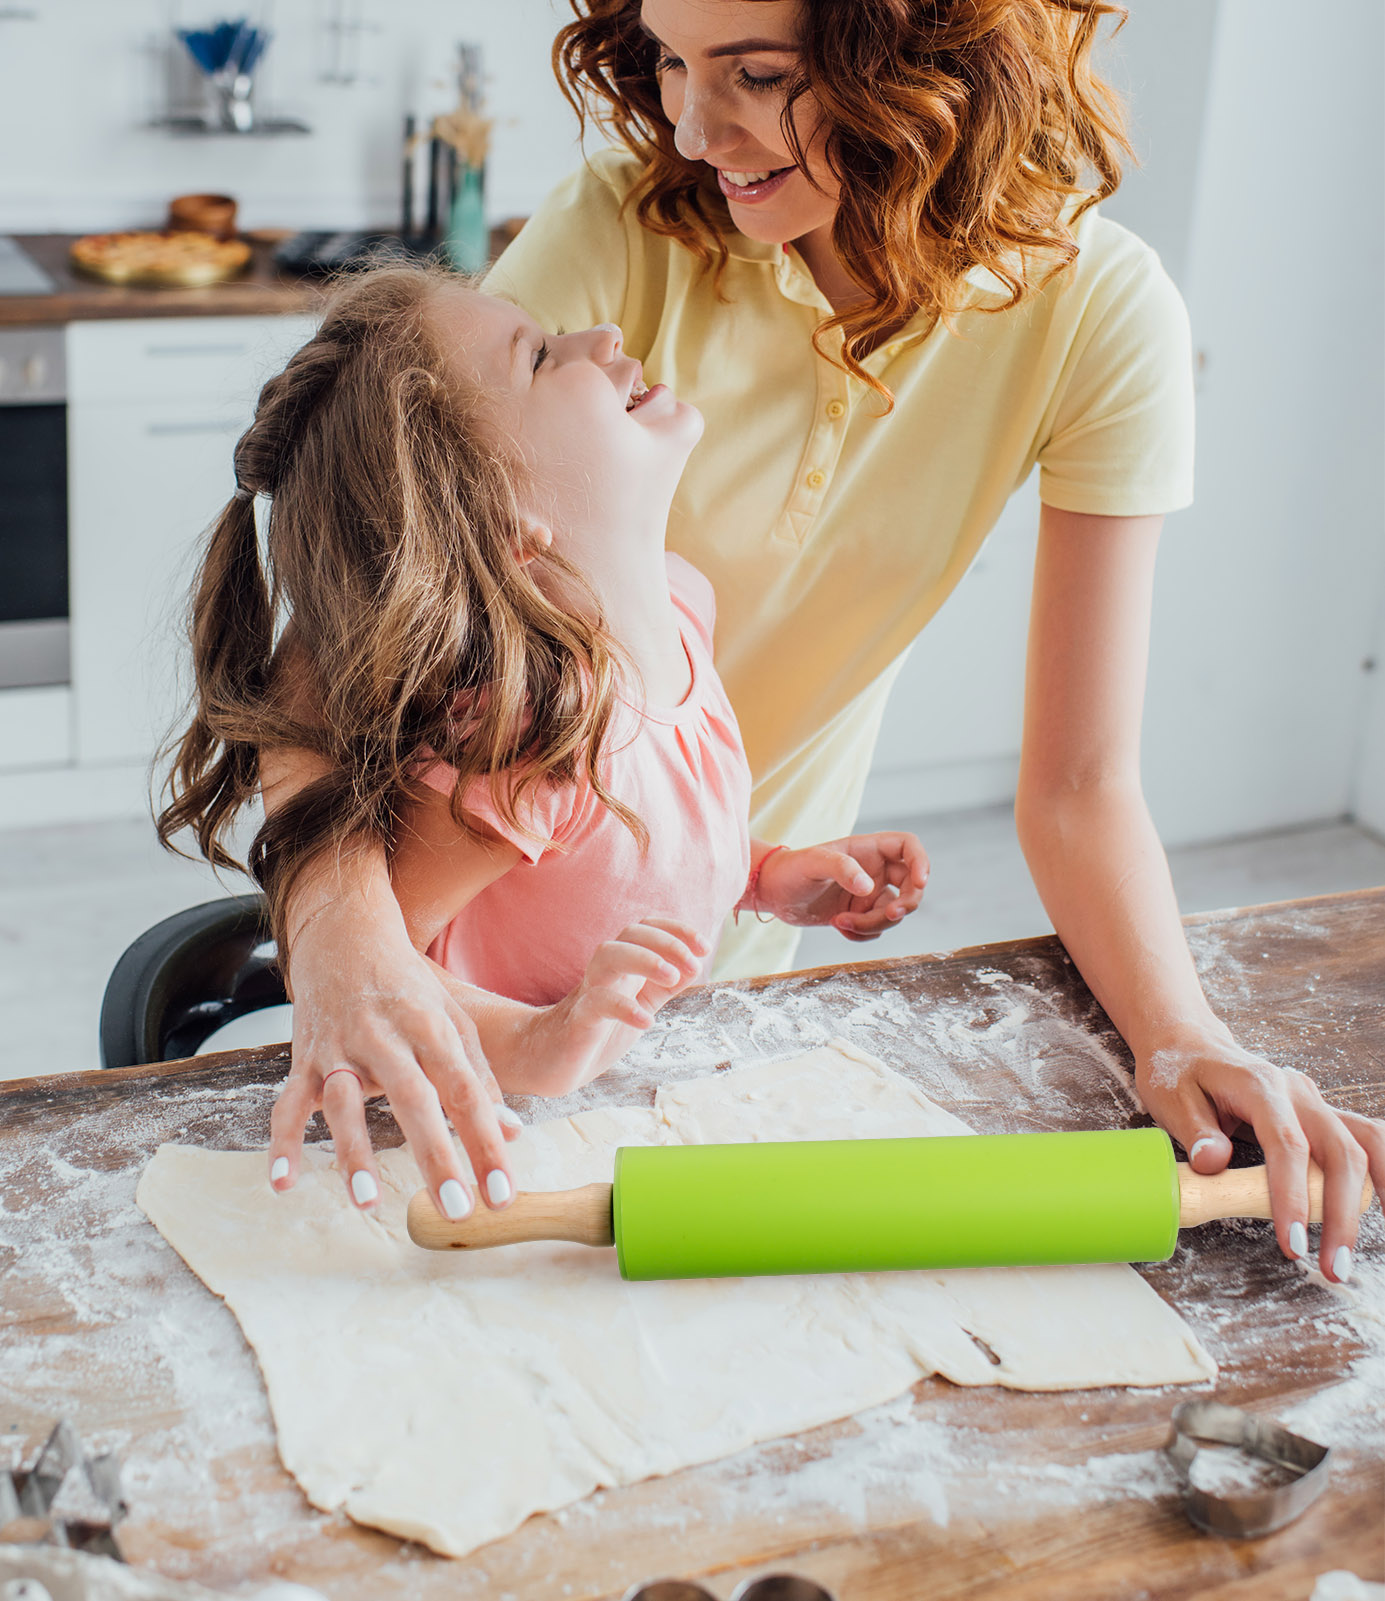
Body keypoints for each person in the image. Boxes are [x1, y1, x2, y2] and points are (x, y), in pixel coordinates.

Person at [253, 0, 1380, 1286]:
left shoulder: (1096, 316)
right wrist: (350, 942)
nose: (687, 123)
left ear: (925, 60)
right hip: (484, 990)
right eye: (671, 61)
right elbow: (357, 622)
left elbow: (1079, 785)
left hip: (719, 963)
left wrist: (1177, 1035)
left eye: (758, 73)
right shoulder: (619, 230)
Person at [158, 260, 930, 1221]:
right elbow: (385, 970)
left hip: (613, 1117)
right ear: (497, 512)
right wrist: (535, 1041)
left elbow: (634, 853)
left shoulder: (682, 604)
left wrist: (765, 874)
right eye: (538, 357)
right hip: (473, 1141)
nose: (599, 340)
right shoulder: (529, 740)